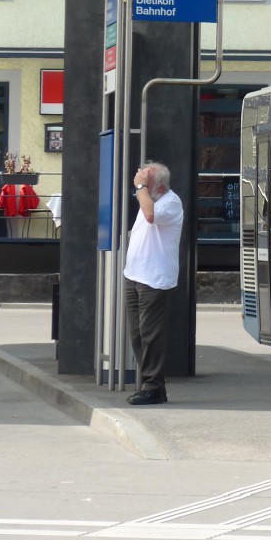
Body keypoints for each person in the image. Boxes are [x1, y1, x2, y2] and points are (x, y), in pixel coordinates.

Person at [124, 161, 184, 405]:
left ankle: (155, 387)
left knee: (151, 335)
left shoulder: (171, 203)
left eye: (145, 185)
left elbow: (150, 216)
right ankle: (149, 382)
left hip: (154, 280)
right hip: (135, 275)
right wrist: (142, 189)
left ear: (158, 185)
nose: (141, 190)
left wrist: (140, 186)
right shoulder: (149, 198)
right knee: (137, 334)